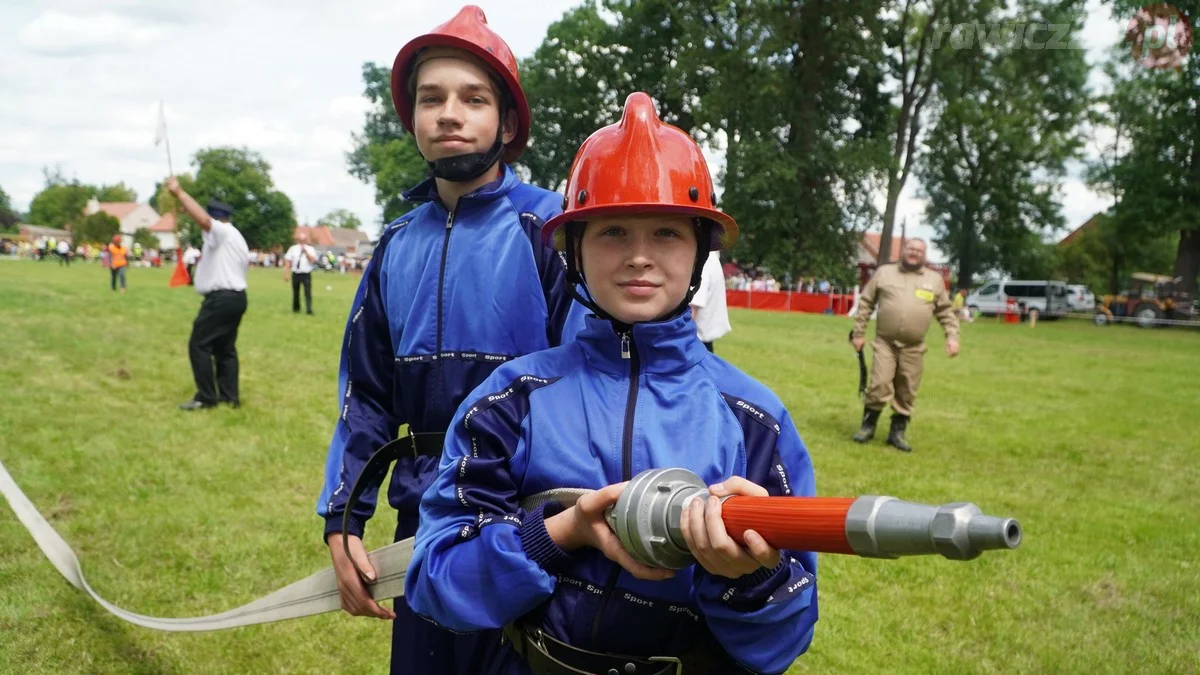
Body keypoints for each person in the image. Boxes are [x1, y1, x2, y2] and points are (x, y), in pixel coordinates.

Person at [406, 92, 819, 675]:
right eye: (614, 232)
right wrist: (561, 531)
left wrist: (752, 577)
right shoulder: (510, 400)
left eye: (668, 234)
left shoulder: (755, 419)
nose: (640, 258)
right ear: (573, 249)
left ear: (702, 250)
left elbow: (786, 639)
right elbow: (436, 582)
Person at [314, 7, 585, 674]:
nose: (448, 114)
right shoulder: (395, 246)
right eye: (430, 98)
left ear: (509, 122)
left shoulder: (555, 228)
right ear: (411, 120)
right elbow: (368, 395)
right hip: (424, 537)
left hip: (531, 533)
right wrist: (342, 516)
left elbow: (592, 384)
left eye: (473, 97)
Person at [850, 238, 959, 452]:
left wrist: (952, 336)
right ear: (904, 250)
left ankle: (897, 432)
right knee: (879, 383)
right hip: (885, 342)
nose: (914, 253)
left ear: (924, 254)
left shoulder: (934, 280)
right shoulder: (884, 273)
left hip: (914, 347)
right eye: (911, 248)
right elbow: (866, 303)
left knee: (907, 389)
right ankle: (868, 425)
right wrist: (859, 332)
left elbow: (945, 311)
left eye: (919, 250)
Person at [166, 176, 251, 411]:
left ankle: (206, 397)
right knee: (225, 349)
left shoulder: (222, 232)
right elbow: (203, 220)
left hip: (221, 298)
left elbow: (204, 221)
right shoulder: (235, 236)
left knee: (199, 344)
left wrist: (179, 193)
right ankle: (229, 396)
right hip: (235, 297)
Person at [690, 249, 731, 352]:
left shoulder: (704, 260)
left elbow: (692, 308)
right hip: (701, 342)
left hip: (695, 342)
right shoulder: (711, 258)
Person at [283, 232, 318, 315]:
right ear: (298, 240)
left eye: (304, 240)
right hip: (296, 273)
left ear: (306, 240)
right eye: (300, 240)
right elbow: (287, 261)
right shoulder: (293, 249)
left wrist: (306, 252)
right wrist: (286, 273)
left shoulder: (310, 249)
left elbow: (313, 260)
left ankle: (309, 309)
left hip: (306, 273)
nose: (302, 241)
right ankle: (296, 309)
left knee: (307, 292)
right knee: (296, 292)